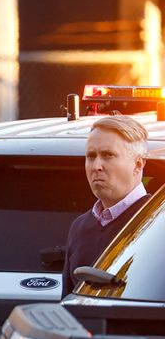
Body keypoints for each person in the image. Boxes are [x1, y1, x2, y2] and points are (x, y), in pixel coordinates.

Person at [63, 115, 151, 295]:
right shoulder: (80, 227)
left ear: (138, 164)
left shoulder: (156, 223)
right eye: (91, 156)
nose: (96, 166)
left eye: (108, 155)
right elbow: (68, 305)